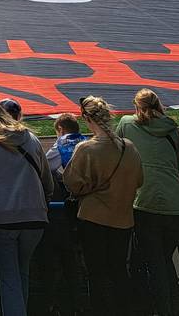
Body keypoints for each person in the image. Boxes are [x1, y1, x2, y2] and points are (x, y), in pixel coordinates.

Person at [115, 89, 179, 316]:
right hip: (177, 205)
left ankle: (159, 308)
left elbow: (118, 153)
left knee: (154, 262)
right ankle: (168, 307)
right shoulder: (171, 127)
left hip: (146, 202)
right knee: (162, 260)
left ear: (136, 106)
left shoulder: (127, 123)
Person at [63, 96, 143, 316]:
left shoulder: (86, 148)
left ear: (87, 118)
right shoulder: (129, 147)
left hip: (94, 218)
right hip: (123, 218)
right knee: (119, 271)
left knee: (96, 274)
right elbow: (139, 180)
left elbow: (72, 183)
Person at [0, 100, 52, 316]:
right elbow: (47, 181)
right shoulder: (31, 138)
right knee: (21, 272)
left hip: (1, 218)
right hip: (35, 216)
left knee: (9, 277)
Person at [38, 114, 85, 316]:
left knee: (53, 264)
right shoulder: (86, 141)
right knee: (74, 262)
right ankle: (79, 304)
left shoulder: (61, 144)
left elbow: (44, 168)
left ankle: (51, 305)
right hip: (86, 205)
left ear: (60, 129)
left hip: (63, 210)